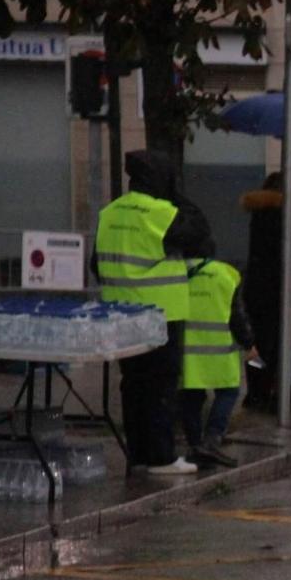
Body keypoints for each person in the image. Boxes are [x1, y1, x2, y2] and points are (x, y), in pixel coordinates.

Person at [98, 149, 208, 473]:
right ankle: (161, 456)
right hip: (161, 313)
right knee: (161, 384)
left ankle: (139, 454)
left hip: (120, 309)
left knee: (133, 384)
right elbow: (200, 230)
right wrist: (177, 196)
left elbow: (96, 263)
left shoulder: (110, 213)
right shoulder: (161, 212)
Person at [240, 170, 291, 409]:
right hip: (280, 292)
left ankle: (255, 392)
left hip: (256, 289)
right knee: (278, 346)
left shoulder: (259, 213)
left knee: (258, 346)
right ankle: (271, 394)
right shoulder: (288, 217)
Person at [179, 238, 253, 469]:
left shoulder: (176, 274)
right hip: (221, 351)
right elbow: (237, 316)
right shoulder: (226, 274)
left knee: (191, 396)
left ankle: (194, 443)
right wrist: (249, 343)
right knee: (228, 392)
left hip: (187, 353)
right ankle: (212, 438)